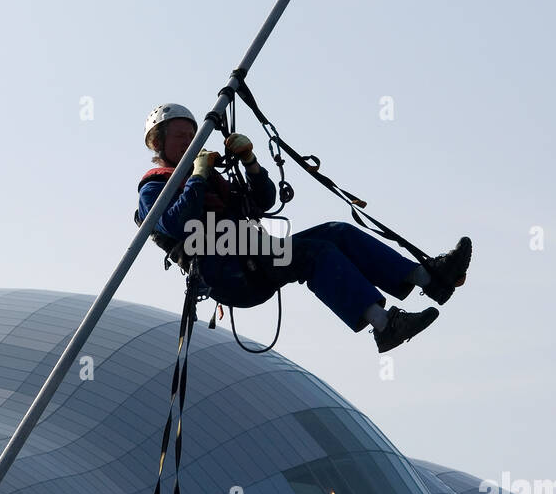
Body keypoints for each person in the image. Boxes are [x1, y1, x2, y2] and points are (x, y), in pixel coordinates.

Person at [137, 102, 471, 353]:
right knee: (315, 253)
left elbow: (263, 200)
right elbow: (177, 221)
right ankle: (385, 325)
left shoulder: (210, 180)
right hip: (225, 271)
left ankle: (430, 277)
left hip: (252, 257)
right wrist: (196, 175)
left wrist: (250, 161)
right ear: (159, 144)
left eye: (191, 134)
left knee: (337, 232)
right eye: (179, 136)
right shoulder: (154, 189)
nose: (188, 141)